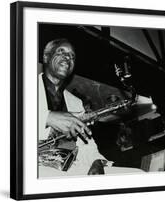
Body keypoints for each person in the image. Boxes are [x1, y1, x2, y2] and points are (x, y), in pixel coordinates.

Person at [38, 38, 142, 176]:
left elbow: (85, 141)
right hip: (34, 166)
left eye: (72, 56)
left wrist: (96, 161)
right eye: (61, 52)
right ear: (46, 57)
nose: (68, 57)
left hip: (72, 167)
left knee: (137, 174)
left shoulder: (76, 102)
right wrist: (47, 118)